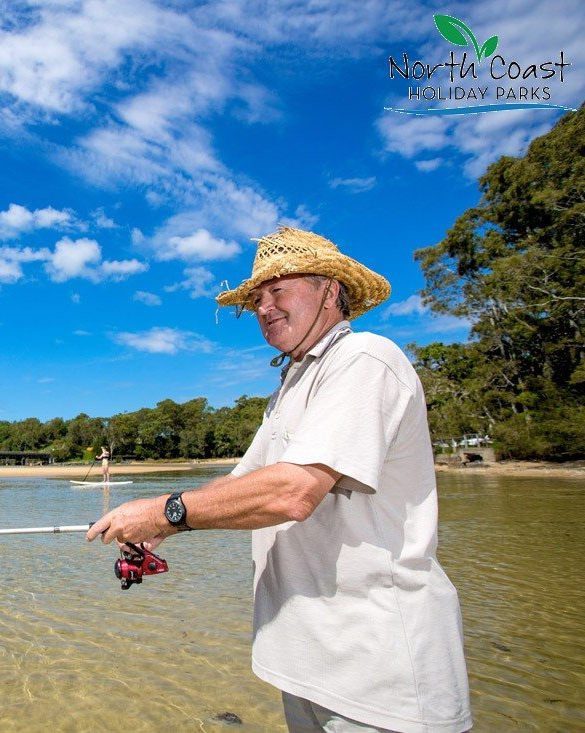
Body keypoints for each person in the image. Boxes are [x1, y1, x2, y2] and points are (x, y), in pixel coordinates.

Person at [87, 226, 472, 732]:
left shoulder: (365, 359)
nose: (265, 308)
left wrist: (166, 510)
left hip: (380, 674)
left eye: (279, 290)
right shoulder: (290, 386)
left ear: (331, 291)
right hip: (309, 665)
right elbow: (245, 481)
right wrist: (161, 524)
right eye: (258, 298)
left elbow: (294, 491)